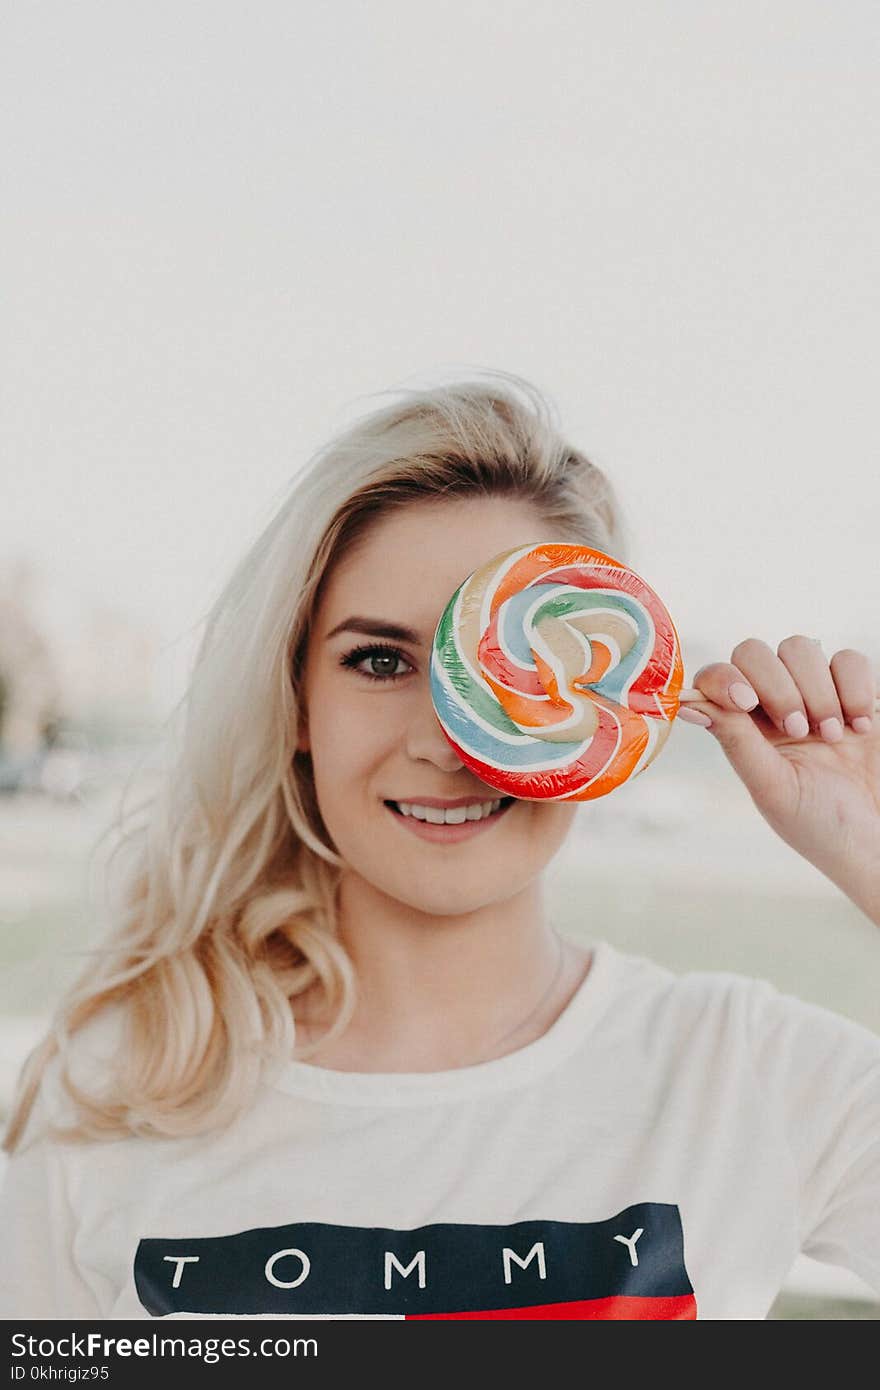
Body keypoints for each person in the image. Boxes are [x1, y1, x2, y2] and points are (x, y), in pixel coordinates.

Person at [1, 371, 878, 1321]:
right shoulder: (113, 1090)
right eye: (380, 661)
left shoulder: (748, 1074)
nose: (447, 740)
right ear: (297, 703)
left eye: (529, 665)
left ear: (617, 703)